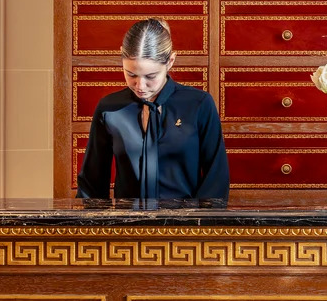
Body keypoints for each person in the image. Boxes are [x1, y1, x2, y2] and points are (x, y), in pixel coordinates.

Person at [76, 18, 229, 200]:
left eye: (151, 76)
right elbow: (92, 183)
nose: (140, 85)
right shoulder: (109, 109)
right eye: (131, 74)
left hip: (185, 225)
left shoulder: (198, 104)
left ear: (170, 61)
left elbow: (216, 179)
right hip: (128, 225)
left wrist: (200, 226)